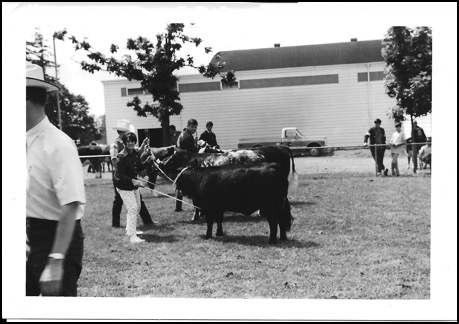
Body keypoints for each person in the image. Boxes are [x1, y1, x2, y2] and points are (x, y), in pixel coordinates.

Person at [26, 64, 85, 296]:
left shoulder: (58, 145)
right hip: (29, 237)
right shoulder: (21, 142)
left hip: (56, 239)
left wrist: (56, 259)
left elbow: (71, 205)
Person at [110, 120, 155, 228]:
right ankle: (116, 224)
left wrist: (144, 145)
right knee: (119, 201)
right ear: (120, 133)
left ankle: (146, 221)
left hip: (129, 176)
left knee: (136, 201)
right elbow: (114, 160)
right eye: (124, 132)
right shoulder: (115, 145)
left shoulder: (128, 142)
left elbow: (135, 154)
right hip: (121, 176)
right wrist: (124, 173)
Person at [114, 132, 148, 243]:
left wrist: (148, 161)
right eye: (128, 141)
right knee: (133, 208)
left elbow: (138, 167)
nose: (130, 143)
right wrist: (132, 180)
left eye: (132, 141)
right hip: (123, 186)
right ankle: (132, 237)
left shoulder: (135, 153)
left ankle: (130, 229)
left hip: (133, 185)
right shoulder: (122, 156)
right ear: (124, 143)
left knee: (137, 207)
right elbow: (119, 174)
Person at [175, 119, 199, 214]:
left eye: (195, 127)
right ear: (188, 125)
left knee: (180, 185)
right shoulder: (188, 137)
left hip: (180, 161)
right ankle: (196, 207)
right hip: (186, 163)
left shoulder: (182, 133)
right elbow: (192, 152)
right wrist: (197, 146)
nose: (194, 129)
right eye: (192, 127)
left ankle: (178, 206)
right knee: (193, 186)